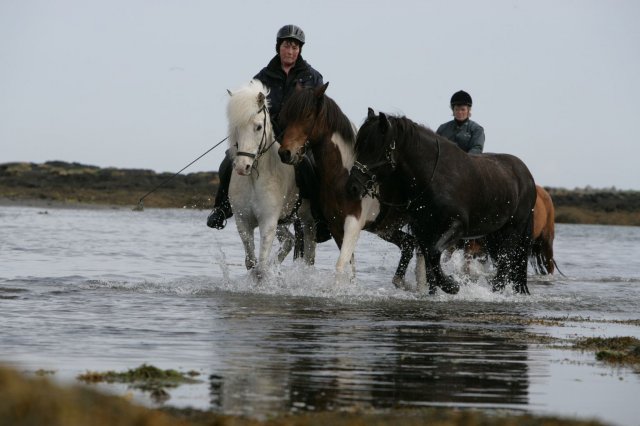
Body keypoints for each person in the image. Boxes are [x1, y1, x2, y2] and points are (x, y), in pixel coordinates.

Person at [207, 24, 324, 230]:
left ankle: (317, 214)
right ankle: (221, 208)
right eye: (287, 46)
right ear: (278, 47)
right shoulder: (263, 76)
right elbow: (249, 106)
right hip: (264, 134)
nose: (290, 51)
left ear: (300, 50)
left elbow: (317, 111)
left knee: (309, 167)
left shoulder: (312, 77)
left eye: (295, 47)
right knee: (228, 161)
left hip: (295, 137)